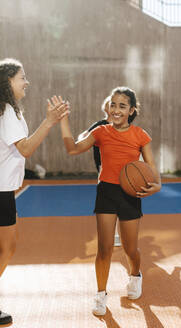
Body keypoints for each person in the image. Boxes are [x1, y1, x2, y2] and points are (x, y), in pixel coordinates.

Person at [0, 58, 69, 325]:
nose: (26, 81)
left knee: (4, 242)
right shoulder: (6, 111)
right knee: (8, 248)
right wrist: (49, 121)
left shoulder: (1, 110)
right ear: (8, 81)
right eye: (22, 77)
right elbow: (26, 149)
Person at [59, 86, 161, 316]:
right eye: (113, 104)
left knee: (130, 249)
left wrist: (158, 184)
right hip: (106, 191)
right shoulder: (101, 132)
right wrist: (64, 120)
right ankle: (101, 294)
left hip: (130, 195)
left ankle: (135, 275)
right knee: (104, 249)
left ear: (132, 110)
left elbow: (152, 167)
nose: (116, 109)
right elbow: (72, 149)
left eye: (122, 106)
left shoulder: (140, 135)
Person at [78, 96, 121, 247]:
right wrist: (89, 138)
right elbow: (82, 137)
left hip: (122, 170)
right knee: (109, 204)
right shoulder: (100, 125)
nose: (116, 108)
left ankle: (121, 234)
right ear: (107, 108)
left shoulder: (122, 125)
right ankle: (112, 235)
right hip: (104, 170)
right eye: (112, 105)